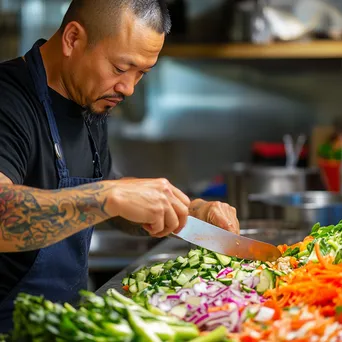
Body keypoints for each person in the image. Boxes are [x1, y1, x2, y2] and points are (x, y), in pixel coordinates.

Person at [0, 0, 239, 332]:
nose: (128, 88)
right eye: (120, 68)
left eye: (142, 72)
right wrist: (108, 194)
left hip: (66, 326)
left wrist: (186, 212)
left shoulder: (89, 98)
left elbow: (100, 192)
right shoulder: (8, 101)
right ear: (72, 39)